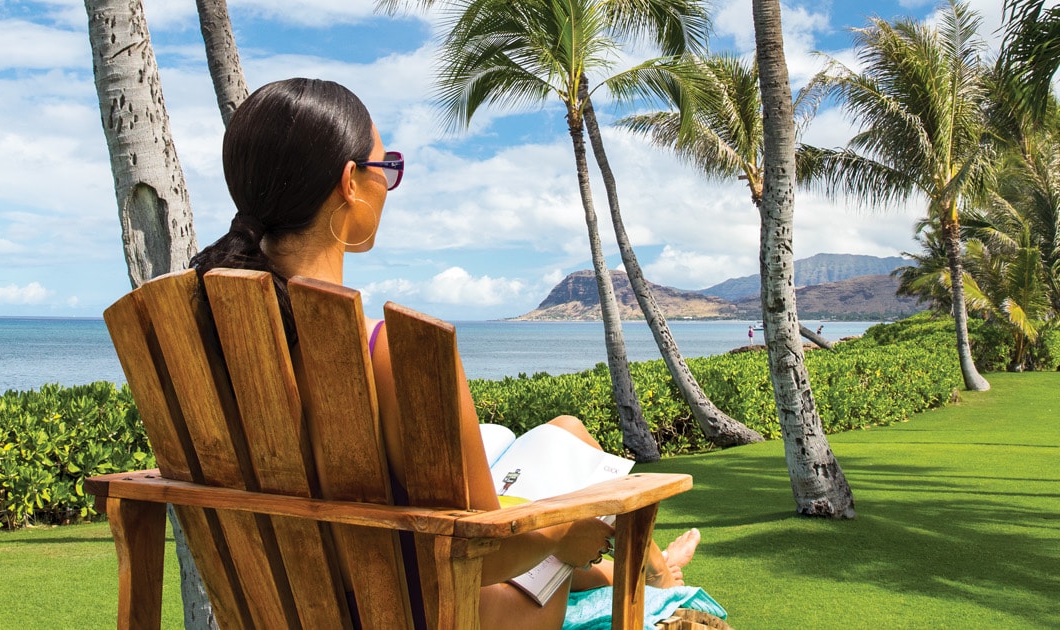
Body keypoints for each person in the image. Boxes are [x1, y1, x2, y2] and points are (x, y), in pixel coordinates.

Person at [188, 78, 702, 630]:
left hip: (289, 609)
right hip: (432, 614)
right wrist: (565, 535)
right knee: (575, 457)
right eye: (387, 169)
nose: (388, 184)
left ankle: (652, 573)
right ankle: (657, 576)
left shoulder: (200, 338)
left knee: (565, 428)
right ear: (350, 184)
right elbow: (487, 552)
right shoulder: (393, 353)